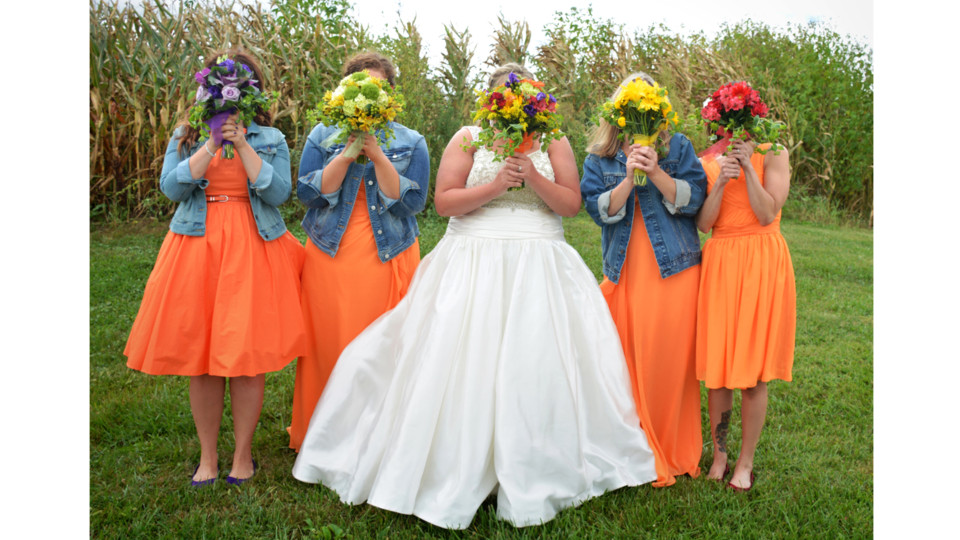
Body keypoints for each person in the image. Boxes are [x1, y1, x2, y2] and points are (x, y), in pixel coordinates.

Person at [292, 63, 658, 529]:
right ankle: (454, 464)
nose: (514, 100)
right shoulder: (467, 137)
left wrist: (532, 176)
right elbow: (444, 202)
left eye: (522, 92)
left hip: (540, 258)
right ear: (491, 100)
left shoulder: (554, 141)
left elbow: (570, 205)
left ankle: (537, 462)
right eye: (505, 93)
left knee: (535, 363)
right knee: (462, 359)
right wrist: (495, 185)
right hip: (471, 255)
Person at [124, 49, 306, 486]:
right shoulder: (186, 135)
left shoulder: (270, 138)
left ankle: (242, 456)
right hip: (197, 246)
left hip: (251, 245)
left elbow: (280, 193)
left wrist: (242, 143)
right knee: (201, 357)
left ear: (250, 93)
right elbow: (171, 187)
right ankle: (208, 457)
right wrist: (210, 144)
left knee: (247, 357)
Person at [288, 52, 430, 452]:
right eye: (362, 86)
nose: (371, 94)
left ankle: (377, 438)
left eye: (379, 86)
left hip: (388, 252)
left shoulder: (410, 141)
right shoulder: (322, 134)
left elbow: (410, 205)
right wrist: (348, 152)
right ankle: (321, 436)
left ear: (389, 93)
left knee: (381, 344)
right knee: (329, 341)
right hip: (330, 252)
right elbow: (309, 195)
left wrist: (378, 154)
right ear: (345, 91)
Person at [580, 72, 707, 486]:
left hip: (674, 271)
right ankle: (629, 450)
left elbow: (695, 202)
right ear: (618, 112)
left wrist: (655, 172)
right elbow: (599, 210)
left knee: (668, 363)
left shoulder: (678, 146)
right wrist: (628, 178)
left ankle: (669, 449)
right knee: (623, 362)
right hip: (625, 271)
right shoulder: (599, 158)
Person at [695, 129, 796, 492]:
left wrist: (749, 169)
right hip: (721, 260)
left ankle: (745, 462)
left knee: (754, 372)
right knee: (718, 369)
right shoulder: (707, 159)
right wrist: (721, 180)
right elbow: (704, 224)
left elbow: (768, 213)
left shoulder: (774, 151)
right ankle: (719, 455)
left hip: (761, 261)